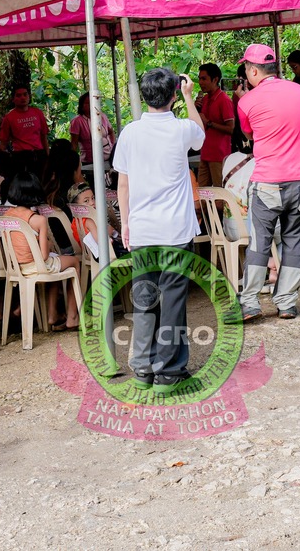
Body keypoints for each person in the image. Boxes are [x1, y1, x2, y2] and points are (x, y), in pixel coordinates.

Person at [111, 67, 208, 386]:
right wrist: (189, 96)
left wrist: (126, 224)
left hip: (141, 229)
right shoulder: (182, 129)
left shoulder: (129, 133)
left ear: (144, 96)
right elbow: (200, 134)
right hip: (176, 230)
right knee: (173, 300)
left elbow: (122, 185)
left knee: (144, 297)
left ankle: (142, 366)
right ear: (171, 94)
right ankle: (168, 370)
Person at [235, 43, 300, 322]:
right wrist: (298, 134)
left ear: (252, 71)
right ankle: (286, 303)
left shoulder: (246, 101)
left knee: (259, 243)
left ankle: (250, 302)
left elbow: (250, 136)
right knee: (294, 242)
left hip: (268, 182)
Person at [0, 170, 78, 330]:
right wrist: (48, 244)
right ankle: (72, 317)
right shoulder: (38, 219)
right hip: (36, 266)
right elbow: (43, 256)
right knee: (74, 262)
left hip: (17, 268)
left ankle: (53, 315)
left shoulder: (5, 216)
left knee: (57, 265)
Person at [193, 64, 236, 185]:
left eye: (204, 79)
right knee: (201, 192)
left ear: (215, 79)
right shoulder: (205, 99)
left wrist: (209, 123)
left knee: (219, 193)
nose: (201, 82)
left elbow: (231, 129)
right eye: (200, 78)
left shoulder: (224, 100)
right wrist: (196, 109)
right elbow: (199, 124)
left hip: (219, 155)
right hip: (205, 153)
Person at [0, 85, 50, 176]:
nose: (23, 98)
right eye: (19, 95)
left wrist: (48, 156)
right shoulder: (9, 118)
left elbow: (44, 137)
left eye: (25, 94)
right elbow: (3, 143)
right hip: (20, 157)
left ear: (29, 97)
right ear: (13, 99)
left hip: (39, 155)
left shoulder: (38, 113)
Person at [69, 94, 114, 172]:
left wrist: (113, 146)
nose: (90, 105)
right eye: (87, 103)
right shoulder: (77, 121)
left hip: (109, 157)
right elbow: (74, 144)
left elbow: (111, 132)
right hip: (89, 161)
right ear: (81, 106)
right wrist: (73, 162)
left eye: (92, 102)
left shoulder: (102, 116)